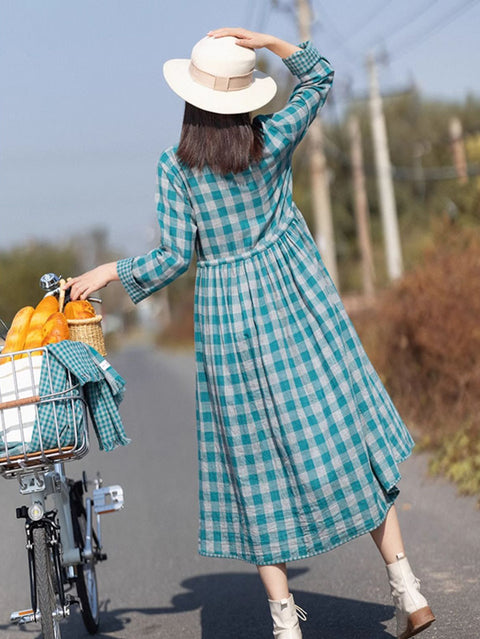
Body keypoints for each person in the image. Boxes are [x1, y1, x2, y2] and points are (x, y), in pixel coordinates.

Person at [63, 27, 435, 639]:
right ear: (246, 99)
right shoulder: (273, 139)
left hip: (229, 320)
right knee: (344, 437)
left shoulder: (175, 167)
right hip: (297, 303)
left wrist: (109, 271)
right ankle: (409, 590)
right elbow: (319, 76)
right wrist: (266, 40)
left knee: (254, 463)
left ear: (190, 100)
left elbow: (173, 259)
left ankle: (286, 625)